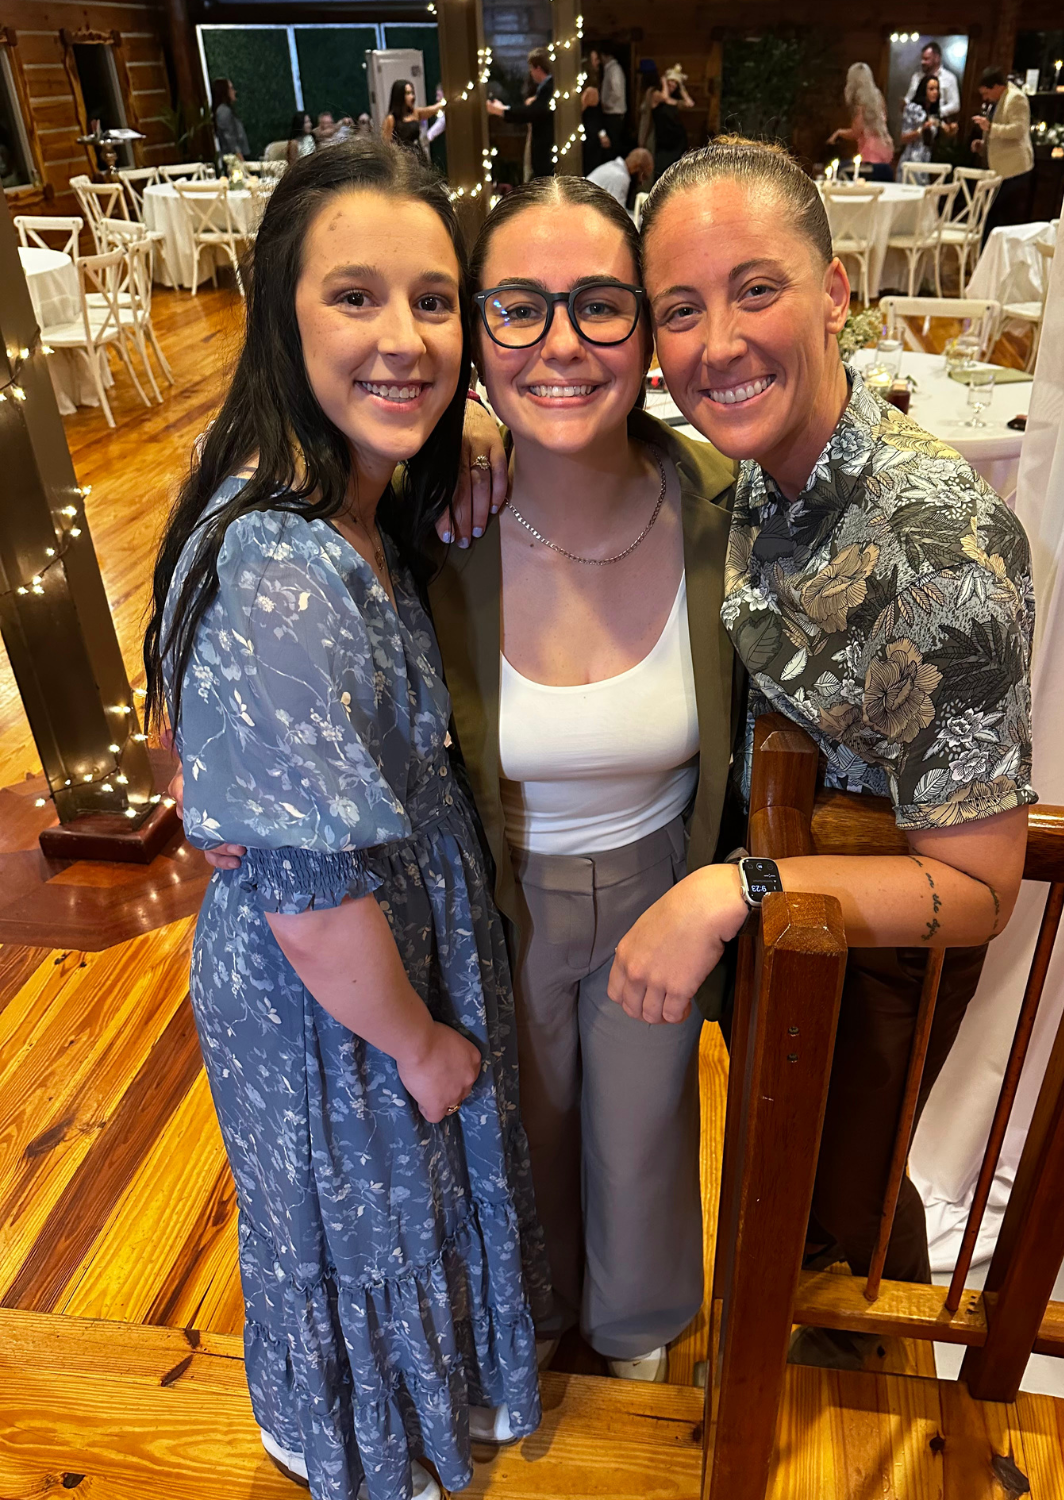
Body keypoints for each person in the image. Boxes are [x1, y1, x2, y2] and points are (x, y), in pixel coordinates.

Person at [141, 140, 550, 1499]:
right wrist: (423, 1042)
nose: (406, 339)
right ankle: (374, 1451)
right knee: (362, 1228)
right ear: (283, 313)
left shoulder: (360, 501)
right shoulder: (284, 560)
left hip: (378, 948)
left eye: (435, 302)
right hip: (343, 995)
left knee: (391, 1222)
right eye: (356, 298)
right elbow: (311, 900)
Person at [617, 138, 1036, 1366]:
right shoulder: (757, 471)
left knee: (841, 1214)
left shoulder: (940, 542)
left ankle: (863, 1404)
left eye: (758, 289)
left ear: (838, 291)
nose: (718, 343)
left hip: (877, 945)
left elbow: (976, 889)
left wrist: (739, 887)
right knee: (792, 1189)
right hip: (786, 909)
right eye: (681, 309)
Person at [431, 176, 739, 1383]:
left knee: (647, 1139)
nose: (561, 343)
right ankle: (532, 1337)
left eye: (601, 306)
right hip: (498, 890)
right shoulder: (434, 522)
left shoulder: (720, 508)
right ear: (476, 333)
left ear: (649, 330)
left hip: (663, 880)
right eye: (518, 307)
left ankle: (640, 1355)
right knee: (525, 1134)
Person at [973, 66, 1035, 241]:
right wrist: (983, 144)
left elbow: (1019, 130)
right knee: (990, 217)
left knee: (1005, 220)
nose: (985, 98)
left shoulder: (1016, 99)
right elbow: (998, 131)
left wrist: (990, 128)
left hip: (1014, 170)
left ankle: (1000, 259)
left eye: (986, 93)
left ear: (997, 87)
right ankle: (986, 258)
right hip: (1000, 170)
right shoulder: (998, 100)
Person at [487, 49, 555, 180]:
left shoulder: (549, 88)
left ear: (538, 69)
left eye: (531, 68)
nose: (530, 72)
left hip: (545, 148)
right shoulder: (545, 88)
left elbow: (532, 113)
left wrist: (502, 110)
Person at [828, 63, 895, 181]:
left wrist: (838, 133)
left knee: (840, 171)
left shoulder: (860, 104)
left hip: (869, 157)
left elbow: (856, 131)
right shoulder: (879, 98)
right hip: (886, 152)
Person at [645, 66, 694, 181]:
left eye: (675, 83)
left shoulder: (673, 99)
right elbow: (664, 97)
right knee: (661, 172)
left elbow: (689, 103)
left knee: (676, 173)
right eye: (671, 81)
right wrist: (664, 83)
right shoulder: (655, 94)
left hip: (677, 141)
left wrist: (681, 87)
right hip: (663, 142)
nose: (673, 85)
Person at [898, 74, 957, 167]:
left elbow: (944, 132)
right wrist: (921, 129)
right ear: (924, 90)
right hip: (912, 158)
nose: (935, 92)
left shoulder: (934, 112)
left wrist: (951, 130)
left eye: (937, 89)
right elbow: (903, 138)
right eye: (931, 89)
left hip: (927, 159)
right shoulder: (912, 109)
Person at [384, 79, 443, 158]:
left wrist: (446, 100)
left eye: (412, 93)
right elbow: (386, 145)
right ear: (400, 96)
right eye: (408, 93)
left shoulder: (415, 113)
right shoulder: (391, 119)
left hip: (419, 158)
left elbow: (433, 109)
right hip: (403, 161)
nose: (412, 97)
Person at [905, 40, 961, 119]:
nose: (922, 62)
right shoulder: (916, 77)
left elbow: (955, 105)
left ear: (937, 58)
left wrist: (935, 112)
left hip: (938, 121)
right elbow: (909, 98)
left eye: (926, 59)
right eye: (922, 59)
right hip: (916, 120)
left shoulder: (949, 78)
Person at [587, 146, 653, 207]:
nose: (641, 182)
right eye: (644, 177)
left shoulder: (611, 166)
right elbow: (616, 215)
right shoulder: (621, 177)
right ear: (637, 168)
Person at [597, 44, 628, 161]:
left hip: (613, 114)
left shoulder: (615, 70)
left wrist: (605, 104)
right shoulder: (610, 69)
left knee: (613, 148)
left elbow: (617, 92)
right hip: (611, 113)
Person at [211, 78, 250, 161]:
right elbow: (229, 137)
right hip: (234, 158)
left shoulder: (225, 110)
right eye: (231, 88)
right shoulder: (223, 111)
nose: (234, 91)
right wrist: (240, 158)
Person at [581, 51, 606, 175]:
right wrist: (602, 134)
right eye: (595, 60)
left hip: (590, 132)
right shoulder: (591, 90)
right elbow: (595, 117)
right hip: (590, 134)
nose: (598, 63)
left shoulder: (590, 88)